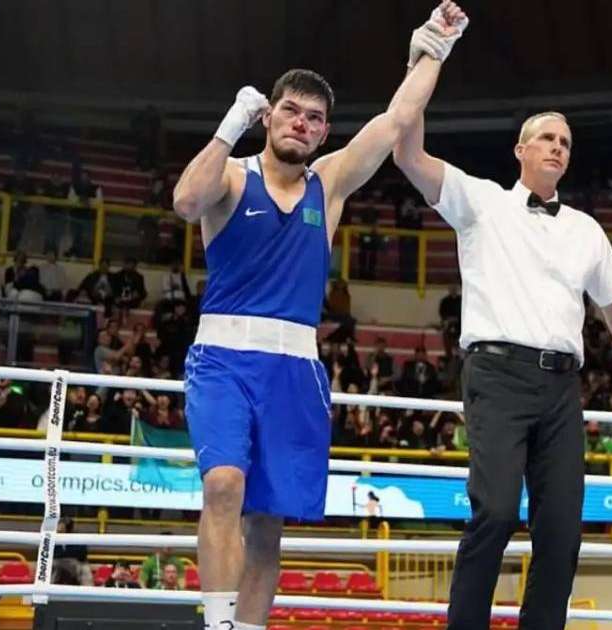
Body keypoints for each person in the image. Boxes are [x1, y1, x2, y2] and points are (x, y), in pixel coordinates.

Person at [171, 5, 467, 629]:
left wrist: (432, 49)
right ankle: (217, 625)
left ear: (323, 131)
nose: (301, 124)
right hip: (224, 359)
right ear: (267, 115)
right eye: (290, 111)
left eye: (314, 118)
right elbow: (184, 201)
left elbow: (394, 122)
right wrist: (229, 126)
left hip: (296, 369)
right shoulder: (227, 176)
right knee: (223, 484)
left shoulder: (326, 186)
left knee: (268, 522)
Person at [393, 106, 612, 630]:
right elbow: (409, 155)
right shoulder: (481, 200)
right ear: (521, 150)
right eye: (547, 138)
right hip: (497, 375)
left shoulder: (585, 230)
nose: (558, 147)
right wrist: (425, 67)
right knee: (496, 511)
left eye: (566, 142)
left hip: (560, 386)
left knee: (561, 530)